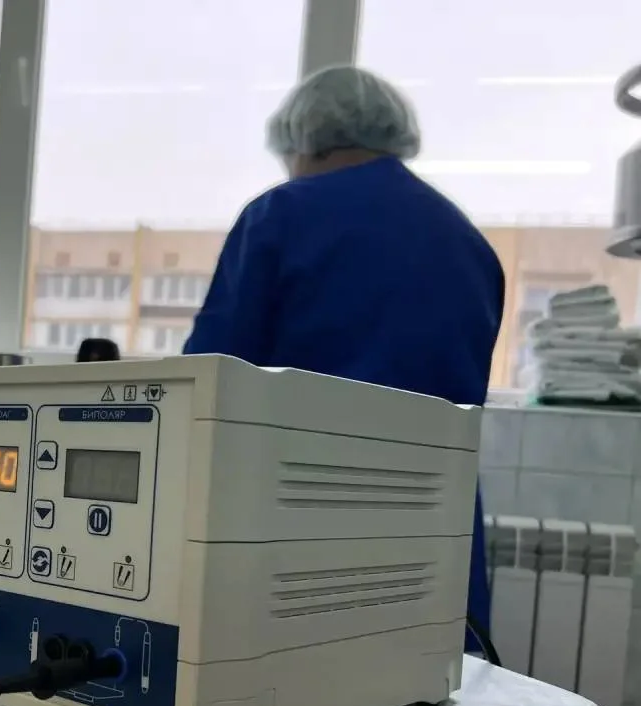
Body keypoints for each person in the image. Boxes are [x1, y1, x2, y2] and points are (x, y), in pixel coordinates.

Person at [183, 65, 502, 656]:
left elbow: (207, 382)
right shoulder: (467, 241)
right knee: (421, 684)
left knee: (298, 687)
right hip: (433, 527)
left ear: (304, 140)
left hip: (303, 516)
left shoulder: (280, 216)